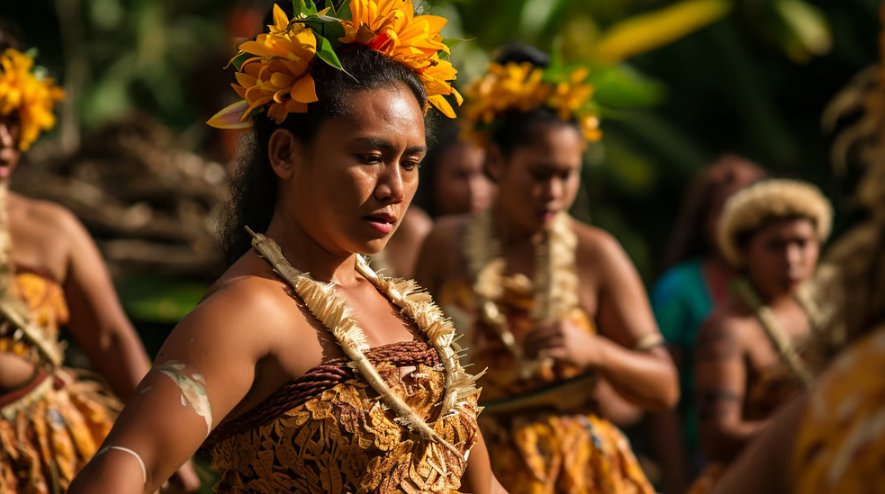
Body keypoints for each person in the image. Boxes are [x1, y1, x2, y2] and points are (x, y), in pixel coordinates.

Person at [69, 1, 502, 492]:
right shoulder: (247, 311)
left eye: (411, 162)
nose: (394, 188)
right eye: (370, 157)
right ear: (285, 153)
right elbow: (130, 466)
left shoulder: (404, 306)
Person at [415, 45, 679, 494]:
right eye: (539, 174)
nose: (554, 191)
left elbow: (664, 387)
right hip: (473, 467)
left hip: (581, 472)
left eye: (567, 174)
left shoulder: (596, 254)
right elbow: (411, 360)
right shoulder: (446, 244)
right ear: (495, 162)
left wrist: (594, 351)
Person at [0, 25, 198, 493]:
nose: (3, 139)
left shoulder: (52, 230)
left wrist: (169, 451)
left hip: (47, 451)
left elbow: (111, 340)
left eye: (10, 118)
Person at [687, 179, 832, 494]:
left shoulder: (834, 312)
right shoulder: (727, 330)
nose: (792, 258)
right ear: (743, 252)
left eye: (802, 243)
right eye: (776, 245)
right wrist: (818, 425)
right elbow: (718, 441)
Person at [648, 155, 765, 492]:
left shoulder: (783, 288)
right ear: (704, 220)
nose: (734, 225)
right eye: (723, 213)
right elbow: (662, 399)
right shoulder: (680, 288)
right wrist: (677, 477)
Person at [373, 120, 493, 279]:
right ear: (434, 176)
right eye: (461, 175)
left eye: (484, 174)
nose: (474, 190)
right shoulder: (415, 226)